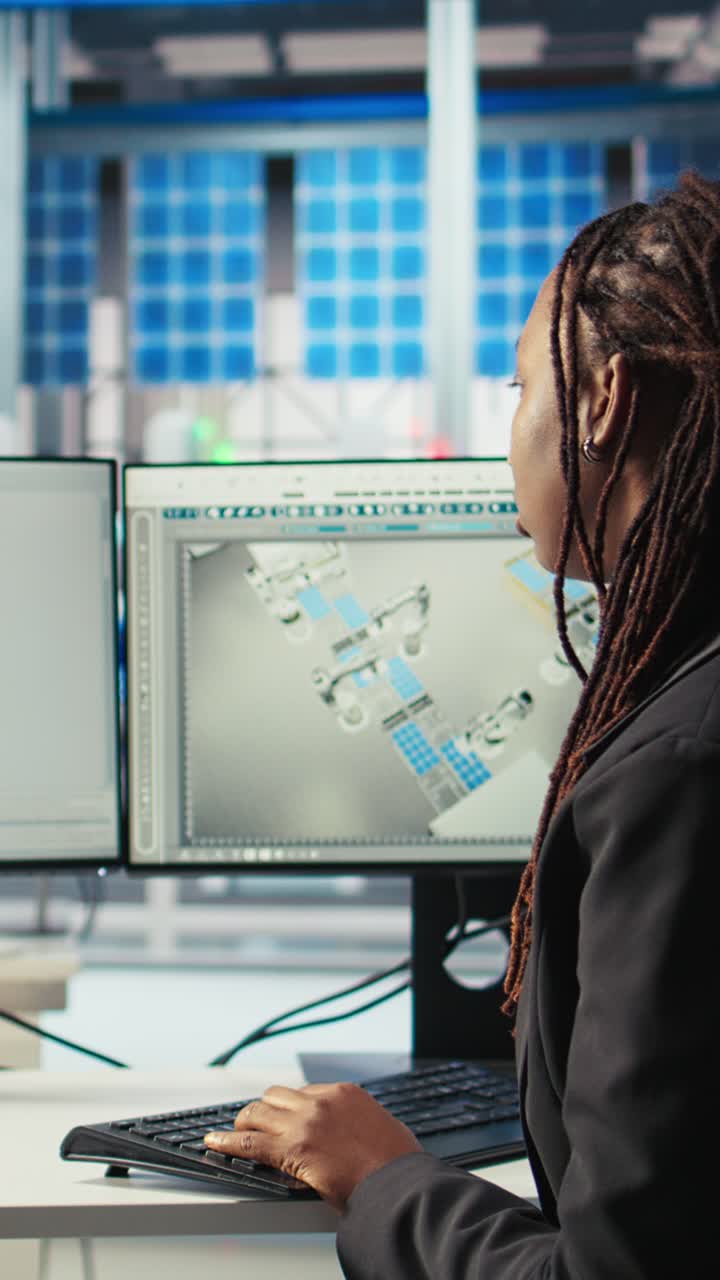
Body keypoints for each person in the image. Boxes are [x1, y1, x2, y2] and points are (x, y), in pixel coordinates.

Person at [205, 169, 720, 1277]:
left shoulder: (681, 770)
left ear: (602, 399)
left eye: (517, 385)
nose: (510, 431)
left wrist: (383, 1171)